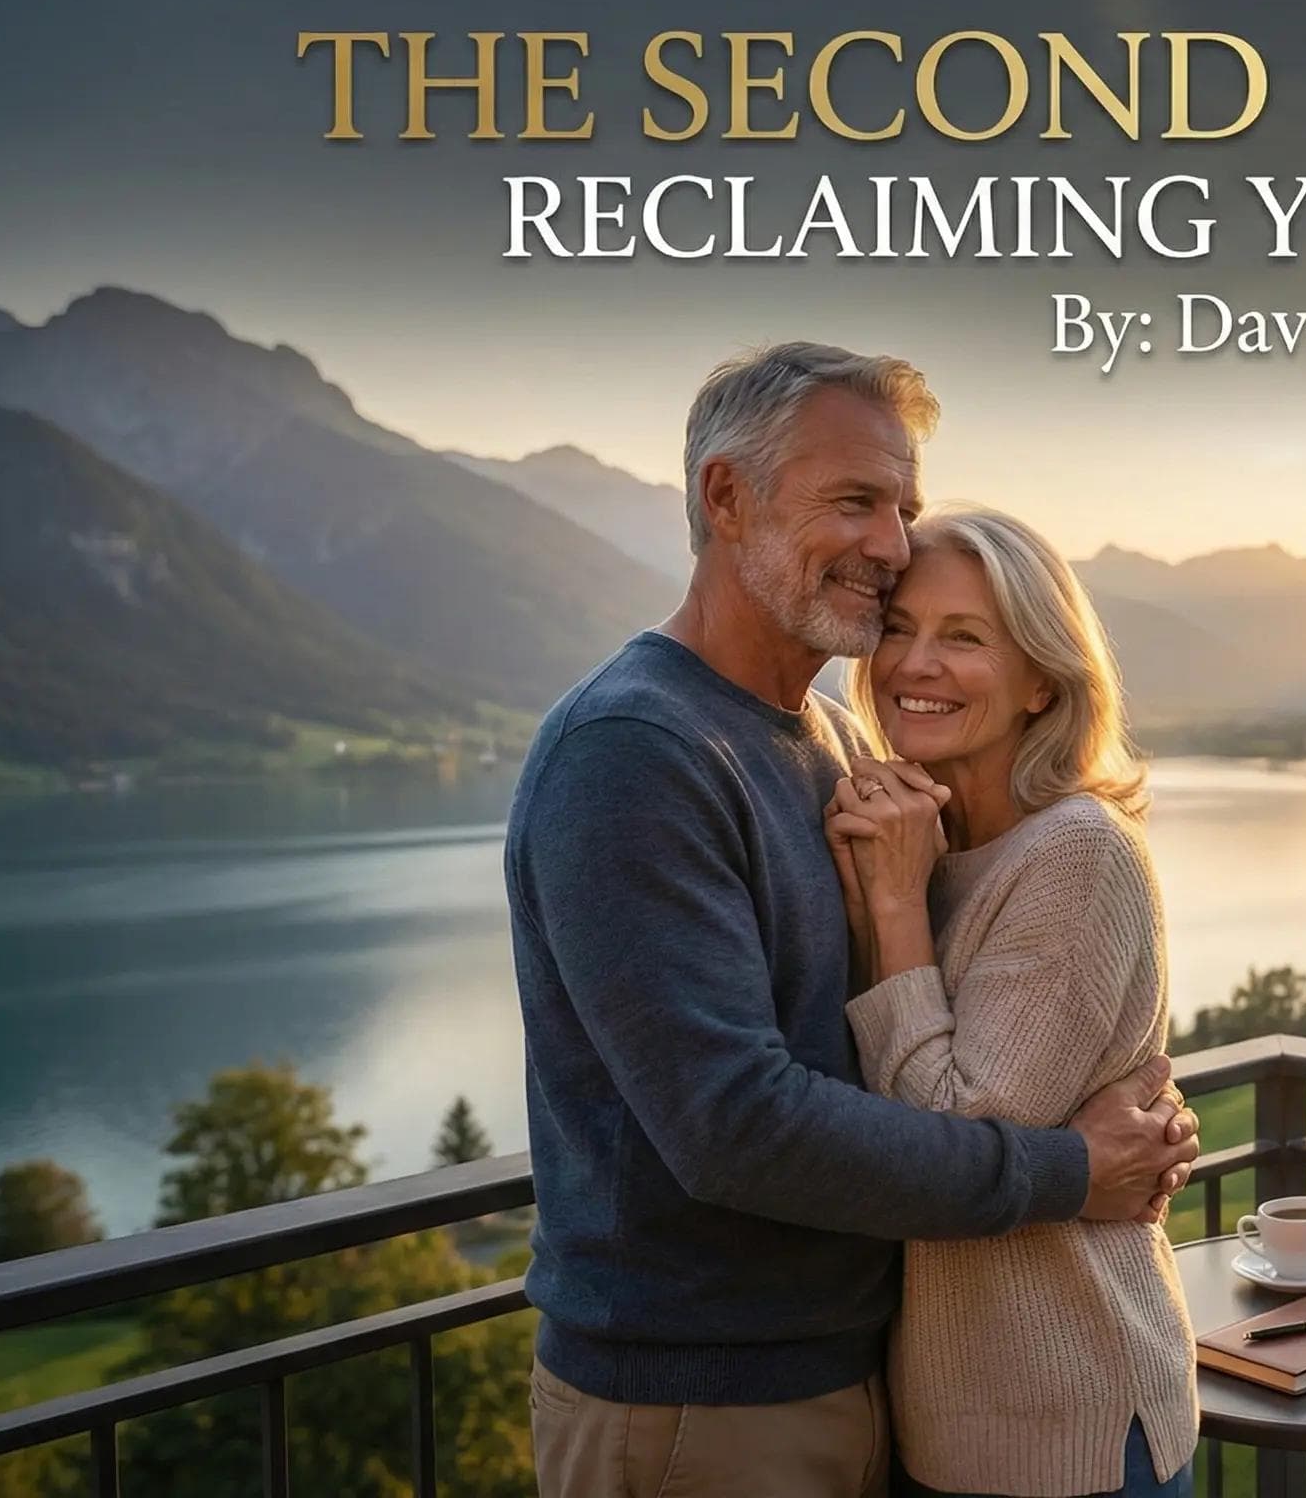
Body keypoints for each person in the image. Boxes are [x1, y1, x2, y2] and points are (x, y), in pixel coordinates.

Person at [505, 345, 1199, 1497]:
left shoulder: (827, 746)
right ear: (726, 499)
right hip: (698, 1402)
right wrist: (1069, 1171)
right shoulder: (633, 752)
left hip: (868, 1379)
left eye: (904, 507)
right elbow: (736, 1124)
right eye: (854, 501)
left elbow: (956, 1021)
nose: (888, 544)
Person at [825, 505, 1194, 1497]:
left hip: (1067, 1430)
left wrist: (893, 905)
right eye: (899, 627)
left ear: (1041, 680)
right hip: (948, 1427)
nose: (914, 664)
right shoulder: (939, 847)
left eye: (963, 638)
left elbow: (958, 1140)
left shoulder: (1072, 851)